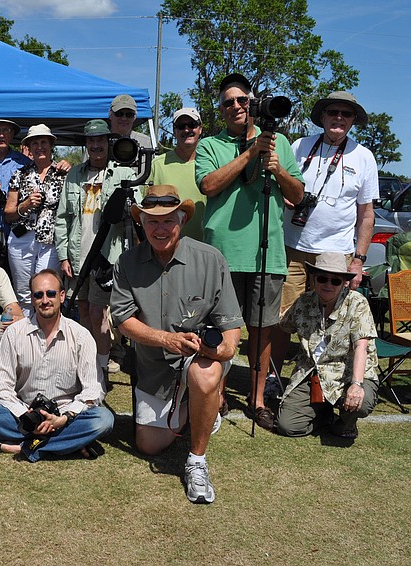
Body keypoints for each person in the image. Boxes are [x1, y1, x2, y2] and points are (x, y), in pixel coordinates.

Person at [111, 185, 243, 504]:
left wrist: (223, 351)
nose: (160, 228)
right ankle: (200, 407)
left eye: (168, 220)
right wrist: (167, 339)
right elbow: (123, 321)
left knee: (205, 375)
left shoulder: (210, 259)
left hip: (198, 359)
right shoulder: (126, 263)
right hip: (153, 366)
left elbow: (231, 328)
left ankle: (196, 461)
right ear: (141, 222)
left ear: (181, 220)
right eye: (152, 221)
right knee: (148, 446)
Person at [195, 73, 304, 428]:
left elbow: (298, 195)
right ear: (222, 109)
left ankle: (257, 400)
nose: (236, 107)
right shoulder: (211, 145)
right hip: (222, 252)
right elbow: (209, 185)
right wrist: (250, 154)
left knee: (262, 329)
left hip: (265, 252)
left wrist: (276, 168)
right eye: (229, 102)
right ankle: (219, 393)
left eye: (243, 100)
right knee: (222, 327)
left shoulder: (280, 143)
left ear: (253, 104)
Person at [271, 92, 378, 372]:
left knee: (329, 321)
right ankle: (273, 378)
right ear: (322, 116)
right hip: (293, 247)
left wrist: (358, 260)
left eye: (346, 114)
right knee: (282, 319)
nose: (338, 118)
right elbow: (281, 183)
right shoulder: (299, 146)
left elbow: (366, 215)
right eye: (333, 112)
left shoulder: (364, 157)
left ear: (354, 120)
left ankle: (320, 382)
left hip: (334, 254)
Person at [0, 269, 113, 461]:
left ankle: (20, 447)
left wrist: (63, 418)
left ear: (62, 296)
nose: (45, 300)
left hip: (65, 415)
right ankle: (67, 445)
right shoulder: (14, 333)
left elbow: (92, 391)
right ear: (32, 299)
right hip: (24, 413)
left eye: (51, 293)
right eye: (39, 295)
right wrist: (25, 415)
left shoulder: (81, 336)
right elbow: (1, 385)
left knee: (103, 419)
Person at [55, 119, 136, 380]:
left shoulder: (123, 172)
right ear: (86, 144)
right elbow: (63, 217)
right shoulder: (74, 174)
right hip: (79, 256)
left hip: (108, 257)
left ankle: (100, 369)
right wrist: (63, 254)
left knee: (99, 315)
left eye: (101, 140)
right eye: (91, 140)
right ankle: (89, 363)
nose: (96, 145)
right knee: (83, 310)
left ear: (109, 142)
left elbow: (135, 213)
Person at [275, 253, 378, 439]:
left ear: (345, 282)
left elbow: (361, 347)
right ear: (313, 279)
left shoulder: (357, 303)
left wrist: (356, 384)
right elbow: (282, 325)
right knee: (287, 426)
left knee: (361, 404)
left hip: (348, 373)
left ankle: (345, 423)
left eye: (335, 281)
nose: (328, 285)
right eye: (322, 278)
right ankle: (323, 414)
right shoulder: (303, 302)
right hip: (313, 373)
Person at [3, 124, 67, 315]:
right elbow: (8, 213)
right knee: (24, 293)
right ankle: (27, 336)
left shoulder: (64, 173)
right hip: (22, 239)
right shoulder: (19, 174)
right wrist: (25, 205)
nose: (40, 147)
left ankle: (49, 332)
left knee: (47, 290)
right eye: (35, 143)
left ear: (51, 146)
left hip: (51, 241)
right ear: (29, 148)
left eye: (43, 142)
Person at [148, 107, 206, 241]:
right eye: (181, 126)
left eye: (192, 125)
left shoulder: (211, 163)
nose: (186, 130)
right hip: (166, 245)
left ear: (200, 129)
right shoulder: (158, 165)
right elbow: (147, 210)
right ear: (174, 131)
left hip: (205, 246)